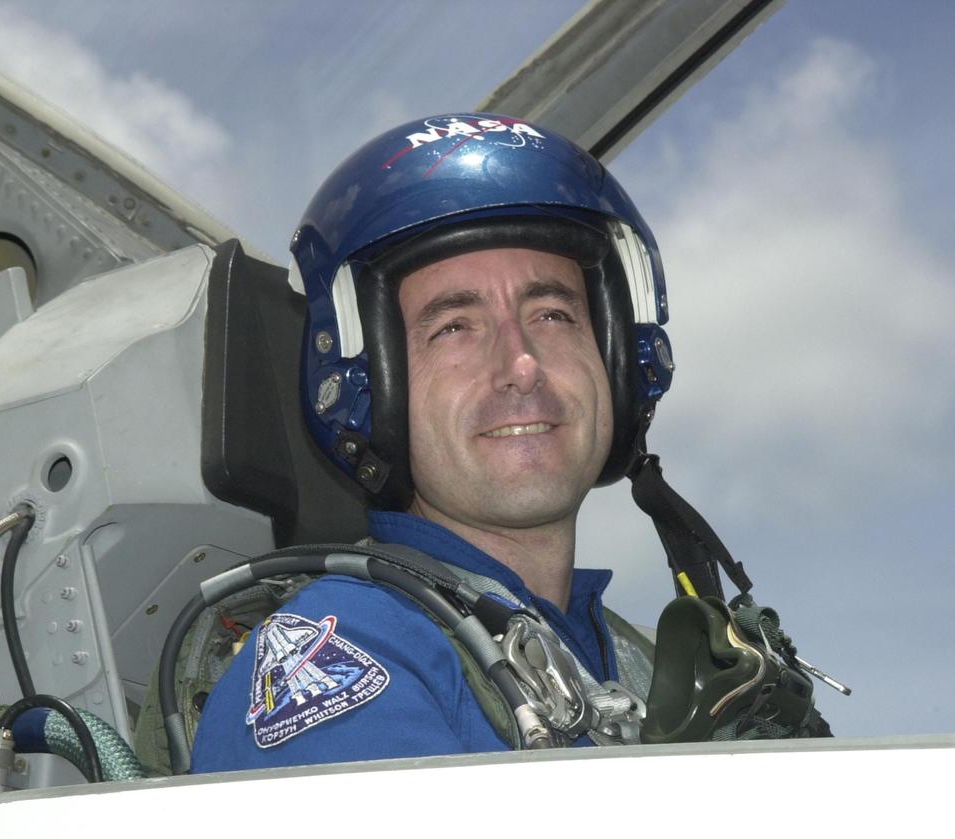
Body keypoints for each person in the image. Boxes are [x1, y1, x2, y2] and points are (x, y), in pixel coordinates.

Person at [189, 113, 803, 772]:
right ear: (370, 386)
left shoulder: (647, 670)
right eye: (454, 326)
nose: (523, 364)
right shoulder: (343, 659)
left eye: (553, 314)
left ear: (620, 360)